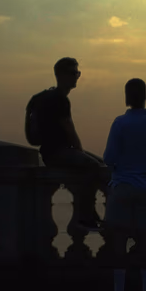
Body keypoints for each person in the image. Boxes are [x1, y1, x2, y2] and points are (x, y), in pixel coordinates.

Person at [101, 79, 146, 291]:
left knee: (119, 240)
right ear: (145, 96)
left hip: (122, 186)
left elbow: (109, 158)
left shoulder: (119, 123)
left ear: (127, 97)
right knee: (144, 239)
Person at [25, 57, 103, 231]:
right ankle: (85, 215)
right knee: (95, 167)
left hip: (50, 152)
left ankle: (90, 211)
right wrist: (80, 151)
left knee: (100, 163)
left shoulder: (40, 98)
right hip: (57, 153)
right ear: (61, 75)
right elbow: (69, 129)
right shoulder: (60, 99)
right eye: (74, 73)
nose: (77, 77)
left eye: (78, 73)